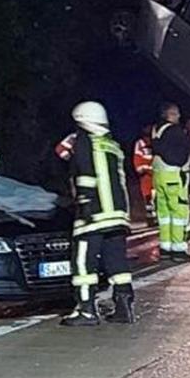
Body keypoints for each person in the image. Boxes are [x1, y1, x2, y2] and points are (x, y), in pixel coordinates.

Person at [60, 101, 135, 327]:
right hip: (118, 215)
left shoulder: (84, 141)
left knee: (83, 263)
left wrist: (82, 203)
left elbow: (81, 173)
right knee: (117, 262)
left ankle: (86, 310)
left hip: (92, 214)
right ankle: (124, 308)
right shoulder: (113, 145)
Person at [151, 102, 190, 261]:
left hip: (159, 175)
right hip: (174, 176)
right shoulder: (174, 131)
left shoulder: (157, 129)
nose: (179, 116)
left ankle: (165, 247)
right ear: (167, 115)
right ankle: (178, 250)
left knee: (164, 213)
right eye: (175, 113)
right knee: (179, 212)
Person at [131, 126, 156, 224]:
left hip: (156, 173)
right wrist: (141, 169)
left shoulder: (156, 141)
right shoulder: (140, 143)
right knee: (148, 197)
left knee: (156, 197)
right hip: (146, 175)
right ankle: (150, 218)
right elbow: (137, 157)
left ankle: (157, 217)